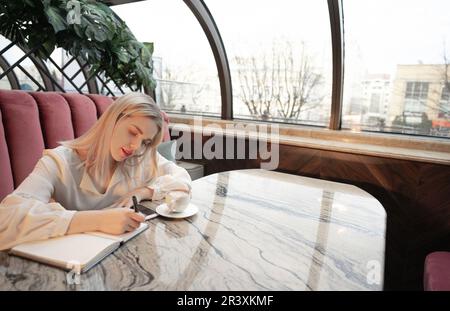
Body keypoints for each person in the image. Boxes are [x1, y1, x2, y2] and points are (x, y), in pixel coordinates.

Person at [0, 92, 191, 250]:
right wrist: (98, 220)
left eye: (145, 142)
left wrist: (143, 192)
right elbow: (6, 219)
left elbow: (182, 179)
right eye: (133, 132)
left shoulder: (140, 159)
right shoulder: (58, 162)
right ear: (112, 119)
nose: (136, 147)